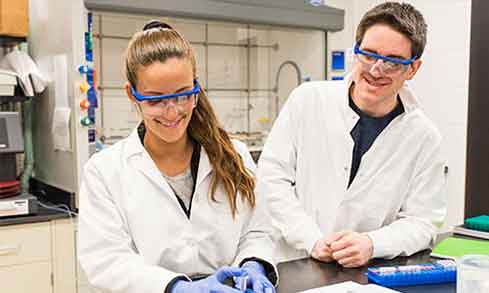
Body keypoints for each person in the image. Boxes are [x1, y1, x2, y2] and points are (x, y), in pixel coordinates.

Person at [78, 21, 277, 293]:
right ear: (132, 95)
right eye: (156, 100)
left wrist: (254, 263)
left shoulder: (235, 155)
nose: (172, 112)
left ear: (195, 88)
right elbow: (106, 260)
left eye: (183, 95)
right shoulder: (105, 171)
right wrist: (177, 288)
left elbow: (258, 231)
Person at [257, 2, 446, 267]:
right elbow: (271, 178)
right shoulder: (307, 100)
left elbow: (423, 222)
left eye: (392, 62)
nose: (376, 70)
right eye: (368, 55)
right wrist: (310, 238)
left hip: (367, 273)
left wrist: (372, 243)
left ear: (413, 68)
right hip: (293, 263)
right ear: (355, 53)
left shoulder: (423, 137)